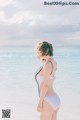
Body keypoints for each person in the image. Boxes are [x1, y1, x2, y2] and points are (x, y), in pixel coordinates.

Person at [34, 40, 61, 120]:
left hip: (48, 100)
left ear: (42, 51)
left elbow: (45, 86)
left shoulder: (47, 65)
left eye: (37, 51)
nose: (37, 53)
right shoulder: (53, 62)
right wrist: (42, 58)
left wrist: (40, 103)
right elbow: (49, 76)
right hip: (55, 99)